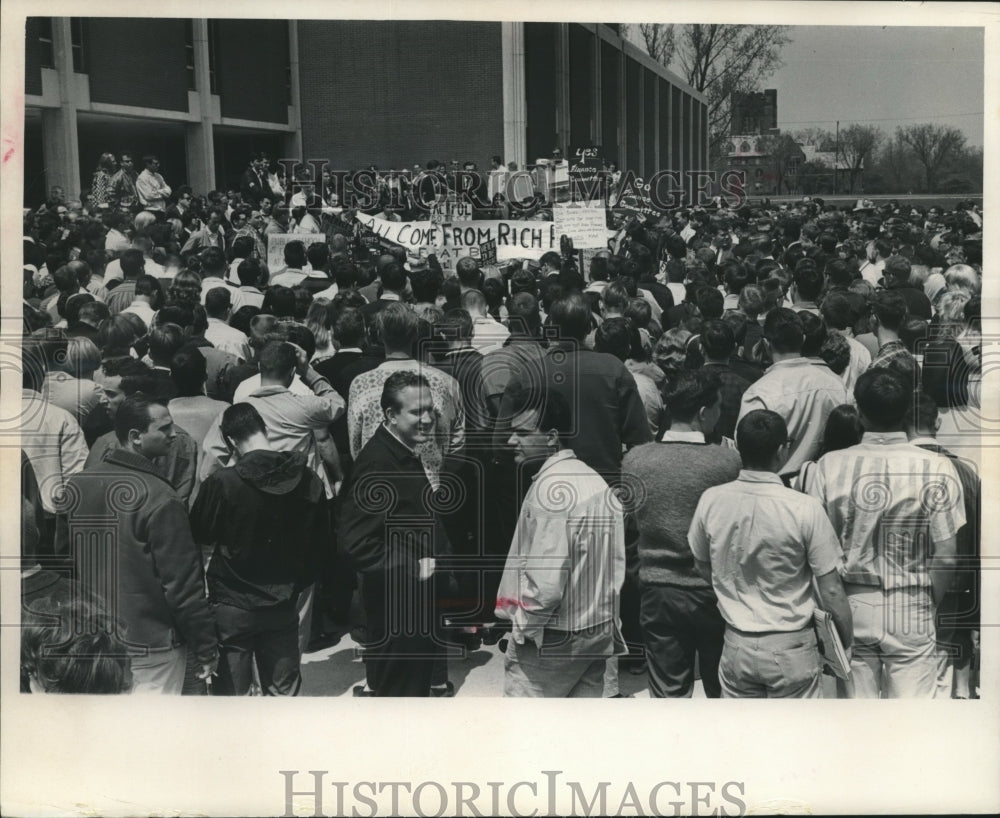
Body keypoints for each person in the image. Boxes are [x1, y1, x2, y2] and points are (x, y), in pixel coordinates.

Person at [807, 369, 965, 698]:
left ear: (859, 412)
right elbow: (947, 555)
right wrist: (926, 601)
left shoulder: (828, 466)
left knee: (857, 719)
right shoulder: (936, 467)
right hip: (912, 601)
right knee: (911, 724)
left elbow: (815, 550)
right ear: (907, 410)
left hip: (850, 602)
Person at [57, 394, 218, 693]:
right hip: (151, 646)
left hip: (95, 640)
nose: (174, 434)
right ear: (136, 437)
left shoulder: (77, 486)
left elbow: (66, 567)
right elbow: (183, 586)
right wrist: (206, 647)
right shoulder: (162, 498)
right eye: (165, 428)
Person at [688, 409, 853, 698]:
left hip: (736, 642)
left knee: (744, 737)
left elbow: (701, 564)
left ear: (739, 446)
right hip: (792, 645)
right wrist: (845, 642)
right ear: (781, 450)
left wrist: (732, 589)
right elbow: (832, 590)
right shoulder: (804, 507)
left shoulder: (711, 500)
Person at [495, 385, 625, 697]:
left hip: (551, 638)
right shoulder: (594, 481)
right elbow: (615, 567)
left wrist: (523, 629)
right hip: (595, 630)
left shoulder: (551, 492)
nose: (512, 441)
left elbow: (546, 586)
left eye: (523, 433)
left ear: (552, 436)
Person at [191, 403, 329, 695]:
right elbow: (323, 546)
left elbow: (200, 533)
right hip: (283, 601)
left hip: (231, 602)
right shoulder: (308, 479)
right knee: (283, 694)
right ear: (265, 429)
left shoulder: (222, 483)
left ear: (229, 441)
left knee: (231, 701)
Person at [622, 371, 741, 698]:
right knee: (722, 688)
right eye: (717, 407)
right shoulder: (726, 463)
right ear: (704, 412)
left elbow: (630, 524)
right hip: (713, 591)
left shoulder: (636, 460)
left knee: (667, 691)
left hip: (658, 590)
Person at [339, 371, 452, 696]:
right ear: (390, 414)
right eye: (417, 412)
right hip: (396, 613)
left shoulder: (401, 452)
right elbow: (355, 543)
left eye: (431, 410)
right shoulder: (378, 465)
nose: (428, 419)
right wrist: (414, 568)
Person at [904, 391, 980, 699]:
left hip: (901, 586)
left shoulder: (894, 468)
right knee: (938, 667)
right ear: (937, 421)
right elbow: (974, 539)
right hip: (951, 588)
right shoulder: (965, 471)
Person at [737, 308, 847, 479]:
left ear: (766, 344)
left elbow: (744, 446)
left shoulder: (759, 392)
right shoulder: (835, 385)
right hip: (823, 483)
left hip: (776, 489)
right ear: (802, 340)